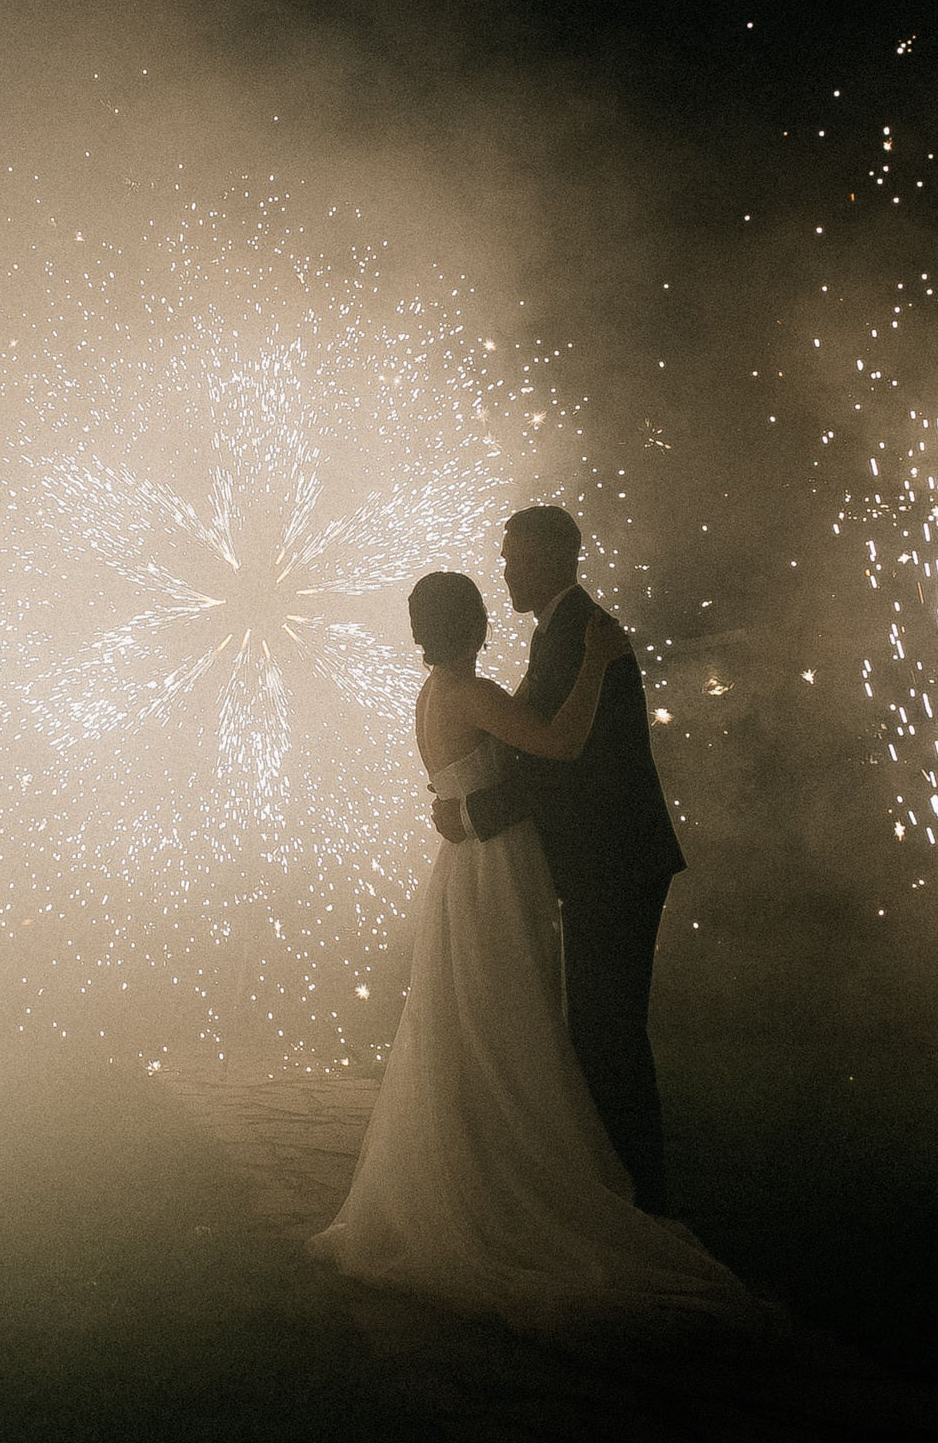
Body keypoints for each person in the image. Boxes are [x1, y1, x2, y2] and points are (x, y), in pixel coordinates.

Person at [308, 568, 752, 1333]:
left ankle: (474, 1169)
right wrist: (596, 664)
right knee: (509, 1013)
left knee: (471, 1019)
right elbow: (561, 743)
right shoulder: (473, 693)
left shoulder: (435, 692)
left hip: (465, 868)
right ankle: (518, 1175)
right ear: (476, 623)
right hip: (494, 869)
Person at [435, 505, 685, 1214]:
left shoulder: (582, 633)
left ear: (549, 558)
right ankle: (625, 1186)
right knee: (598, 1027)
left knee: (608, 1030)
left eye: (514, 556)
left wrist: (474, 812)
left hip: (615, 860)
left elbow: (568, 762)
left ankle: (640, 1196)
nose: (505, 569)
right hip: (601, 858)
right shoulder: (562, 632)